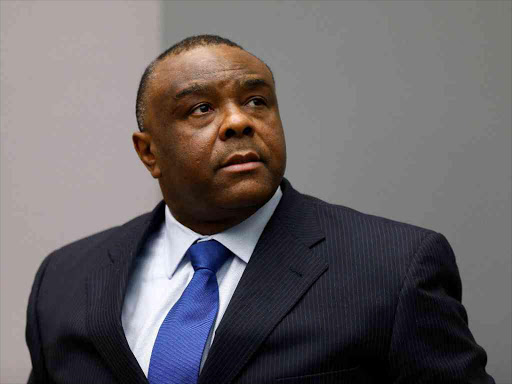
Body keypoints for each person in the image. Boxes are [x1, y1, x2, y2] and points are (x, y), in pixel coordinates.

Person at [26, 35, 495, 384]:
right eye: (200, 109)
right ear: (149, 153)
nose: (238, 121)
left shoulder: (393, 267)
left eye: (256, 101)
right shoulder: (65, 280)